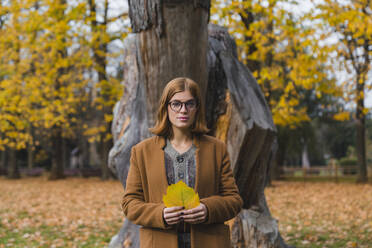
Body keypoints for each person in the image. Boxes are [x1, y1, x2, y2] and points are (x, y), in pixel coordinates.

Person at [122, 77, 243, 248]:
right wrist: (160, 213)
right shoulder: (142, 152)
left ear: (197, 108)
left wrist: (208, 209)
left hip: (209, 242)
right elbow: (130, 204)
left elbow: (234, 200)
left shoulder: (217, 149)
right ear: (166, 107)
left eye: (189, 104)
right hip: (158, 242)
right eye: (176, 103)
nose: (183, 110)